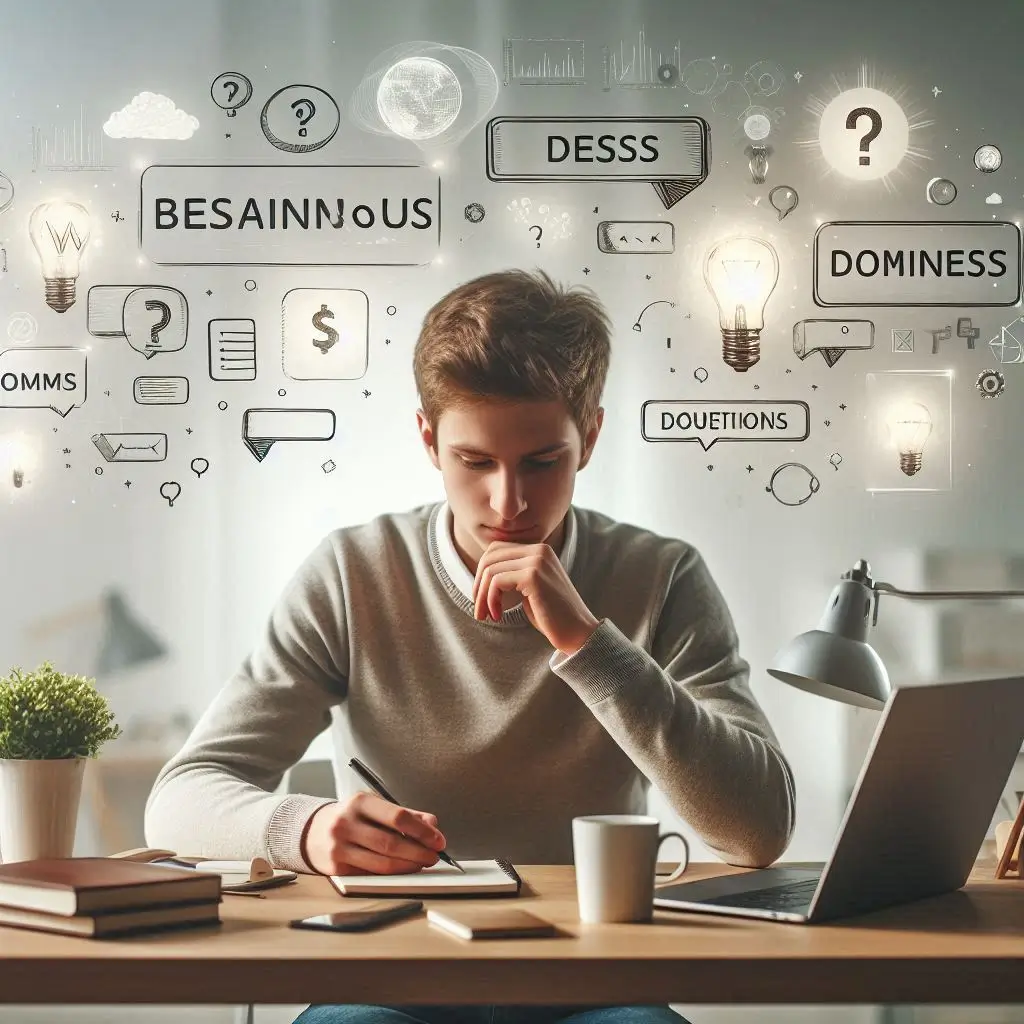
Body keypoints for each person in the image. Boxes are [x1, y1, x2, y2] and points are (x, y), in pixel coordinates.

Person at [145, 269, 795, 1024]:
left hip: (594, 983)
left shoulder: (662, 574)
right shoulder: (354, 572)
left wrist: (587, 642)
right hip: (391, 977)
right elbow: (181, 797)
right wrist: (308, 829)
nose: (509, 504)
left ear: (590, 437)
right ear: (429, 439)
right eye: (476, 462)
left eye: (543, 462)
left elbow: (758, 833)